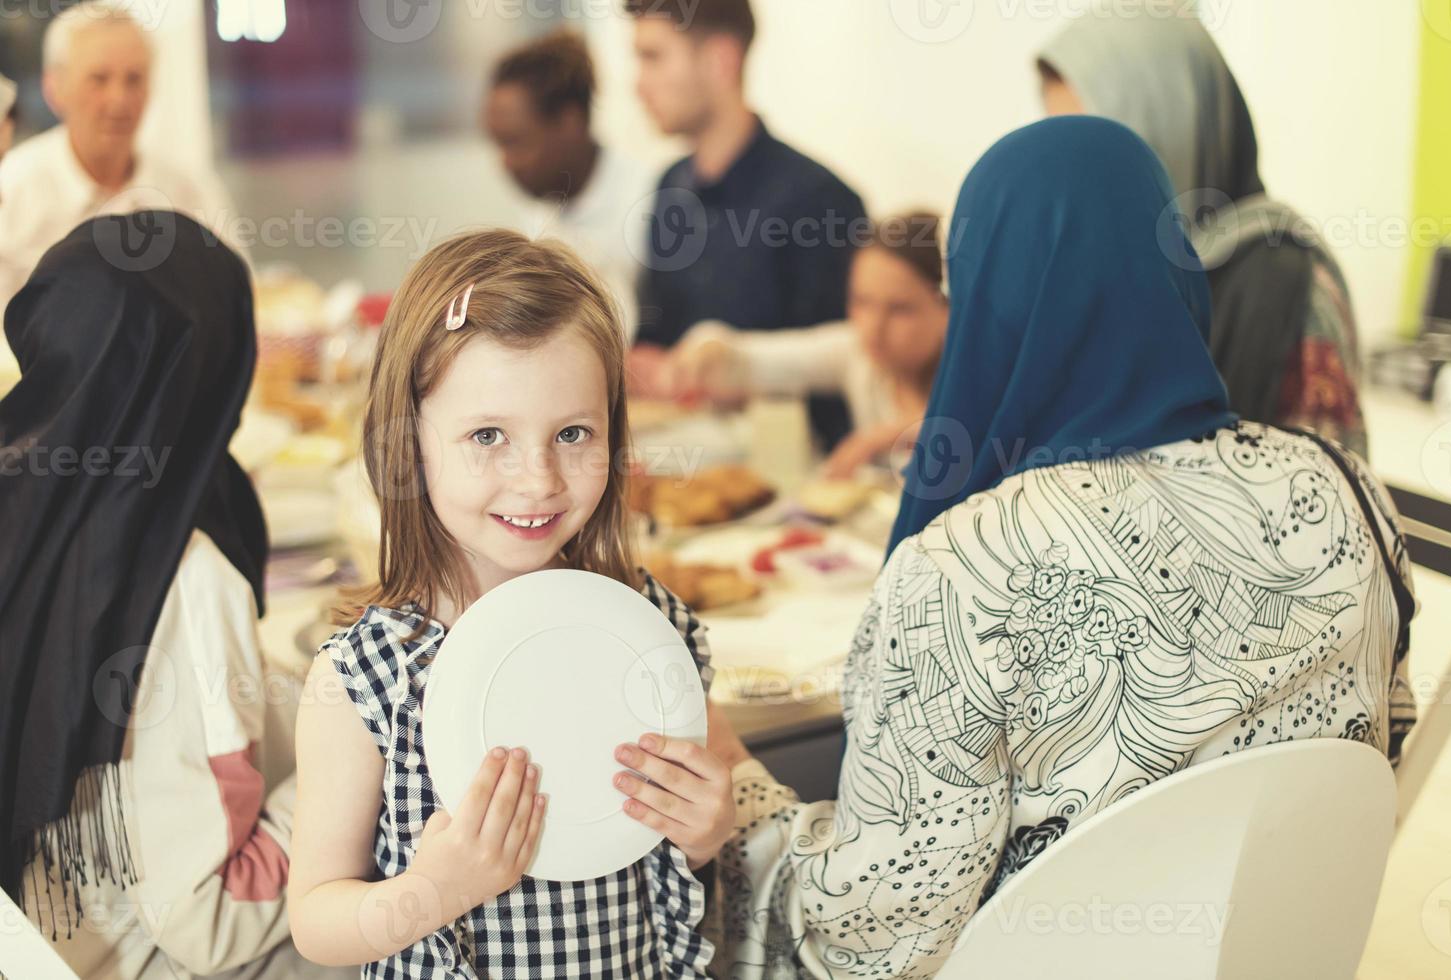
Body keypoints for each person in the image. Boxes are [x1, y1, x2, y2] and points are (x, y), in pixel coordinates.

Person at [699, 117, 1417, 979]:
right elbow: (1380, 742)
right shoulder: (1348, 489)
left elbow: (872, 943)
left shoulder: (958, 570)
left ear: (987, 300)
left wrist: (741, 802)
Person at [288, 230, 735, 977]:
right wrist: (428, 893)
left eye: (572, 434)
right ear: (410, 445)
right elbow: (314, 918)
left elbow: (681, 838)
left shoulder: (643, 627)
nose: (538, 481)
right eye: (487, 435)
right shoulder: (366, 676)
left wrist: (704, 831)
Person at [0, 213, 344, 978]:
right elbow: (208, 921)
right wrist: (351, 772)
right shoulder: (184, 577)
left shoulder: (23, 501)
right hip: (130, 955)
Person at [1037, 0, 1368, 456]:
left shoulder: (1286, 289)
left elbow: (1325, 507)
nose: (1077, 174)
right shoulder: (1114, 272)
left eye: (1100, 142)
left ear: (1173, 127)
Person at [623, 0, 867, 450]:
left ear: (720, 59)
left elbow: (849, 369)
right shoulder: (669, 187)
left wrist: (731, 376)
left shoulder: (820, 200)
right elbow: (655, 333)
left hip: (787, 469)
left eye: (653, 57)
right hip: (680, 453)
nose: (638, 85)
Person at [664, 211, 949, 479]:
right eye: (861, 302)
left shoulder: (975, 371)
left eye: (900, 309)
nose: (873, 329)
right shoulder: (854, 352)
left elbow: (975, 427)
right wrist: (708, 348)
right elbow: (749, 358)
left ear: (951, 308)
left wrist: (883, 437)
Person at [0, 1, 237, 322]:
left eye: (134, 79)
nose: (119, 100)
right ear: (54, 88)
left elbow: (234, 311)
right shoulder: (11, 191)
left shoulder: (189, 194)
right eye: (98, 79)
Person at [484, 29, 654, 336]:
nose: (505, 163)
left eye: (516, 143)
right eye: (498, 144)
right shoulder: (539, 210)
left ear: (569, 123)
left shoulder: (649, 199)